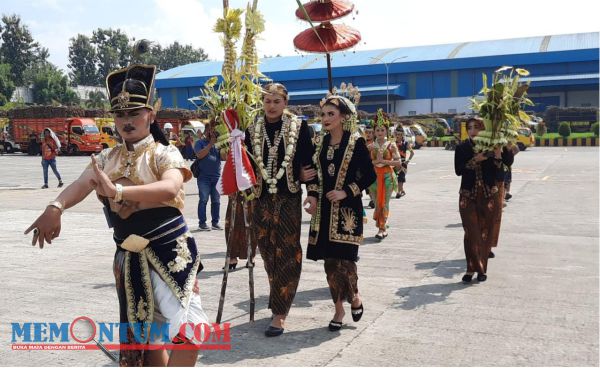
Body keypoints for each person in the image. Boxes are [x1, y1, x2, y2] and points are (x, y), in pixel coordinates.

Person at [25, 64, 208, 366]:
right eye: (120, 114)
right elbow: (81, 184)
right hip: (128, 255)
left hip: (169, 251)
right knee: (146, 336)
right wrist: (55, 207)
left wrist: (120, 193)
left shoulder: (164, 152)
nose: (127, 120)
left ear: (151, 114)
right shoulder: (107, 158)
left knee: (191, 332)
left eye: (135, 113)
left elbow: (171, 186)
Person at [244, 82, 315, 337]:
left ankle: (280, 312)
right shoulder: (252, 128)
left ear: (285, 102)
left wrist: (313, 193)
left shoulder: (299, 127)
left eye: (276, 101)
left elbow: (309, 162)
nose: (271, 106)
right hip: (261, 201)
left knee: (287, 253)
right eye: (267, 101)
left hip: (289, 199)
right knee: (267, 253)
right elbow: (246, 165)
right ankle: (278, 297)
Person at [304, 95, 376, 331]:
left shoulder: (356, 142)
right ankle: (339, 308)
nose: (325, 118)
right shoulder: (320, 144)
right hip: (324, 213)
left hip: (347, 213)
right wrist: (312, 196)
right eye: (323, 114)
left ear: (344, 117)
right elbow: (313, 174)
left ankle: (354, 296)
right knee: (330, 264)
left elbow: (369, 175)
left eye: (331, 114)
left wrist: (346, 192)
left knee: (346, 262)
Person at [454, 117, 513, 283]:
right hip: (467, 194)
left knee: (485, 232)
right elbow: (459, 170)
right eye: (470, 127)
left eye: (477, 127)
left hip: (488, 194)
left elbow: (508, 161)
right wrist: (475, 160)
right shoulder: (462, 147)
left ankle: (474, 270)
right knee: (470, 232)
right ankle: (476, 267)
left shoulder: (491, 145)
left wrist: (499, 153)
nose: (473, 131)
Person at [367, 110, 401, 240]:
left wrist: (384, 161)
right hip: (374, 178)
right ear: (374, 132)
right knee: (376, 203)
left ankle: (382, 228)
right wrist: (376, 161)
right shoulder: (370, 147)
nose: (380, 133)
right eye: (377, 130)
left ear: (386, 131)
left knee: (384, 203)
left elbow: (398, 162)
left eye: (382, 130)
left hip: (387, 177)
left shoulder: (391, 145)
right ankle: (382, 225)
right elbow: (367, 163)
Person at [194, 122, 222, 231]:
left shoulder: (218, 144)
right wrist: (210, 144)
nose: (212, 133)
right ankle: (202, 223)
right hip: (203, 177)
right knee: (203, 200)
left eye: (214, 130)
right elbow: (199, 155)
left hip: (216, 177)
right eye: (210, 130)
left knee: (216, 201)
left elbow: (223, 157)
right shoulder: (200, 143)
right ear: (206, 131)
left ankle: (215, 222)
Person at [394, 126, 414, 198]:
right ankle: (401, 190)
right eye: (396, 134)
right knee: (394, 178)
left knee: (400, 178)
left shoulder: (406, 143)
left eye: (399, 134)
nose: (398, 136)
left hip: (403, 163)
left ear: (402, 135)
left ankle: (399, 192)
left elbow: (412, 153)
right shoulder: (393, 144)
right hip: (395, 163)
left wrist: (407, 161)